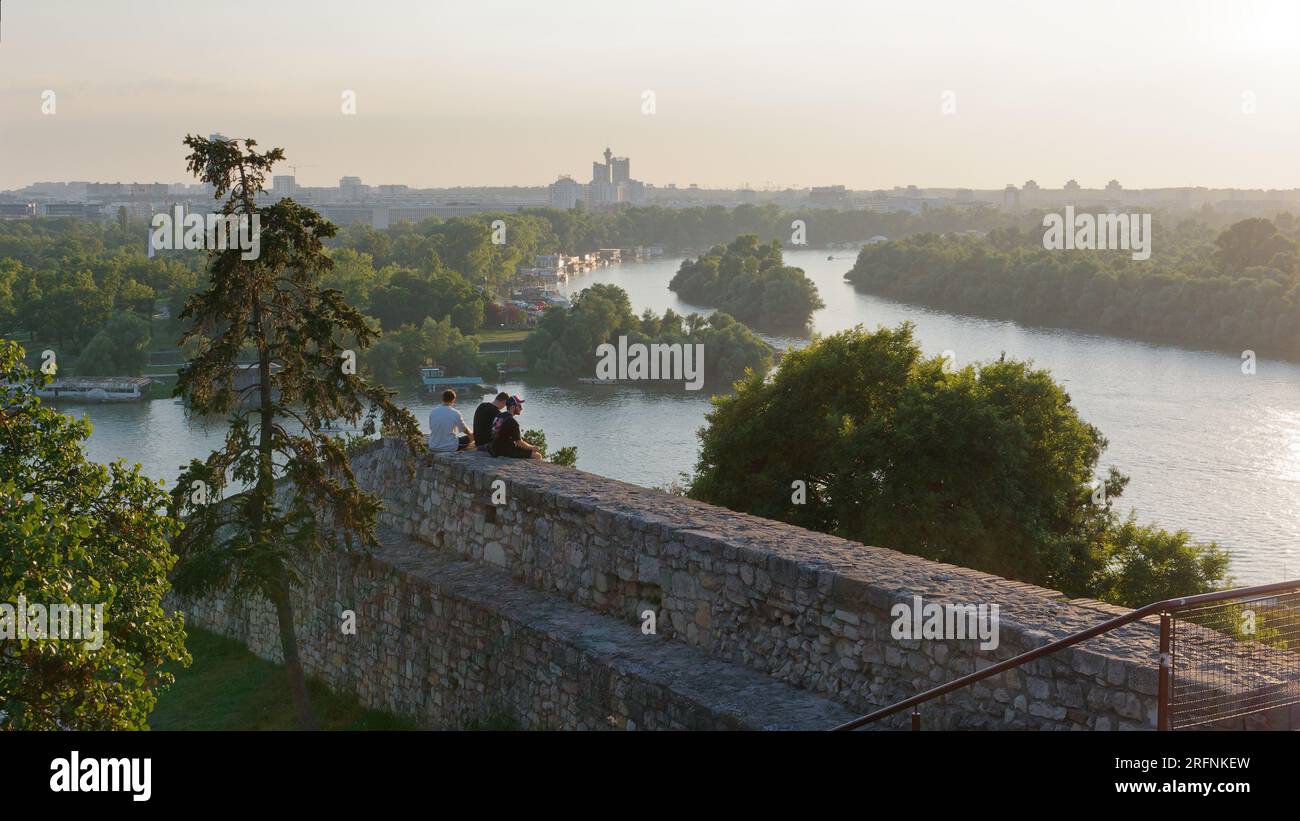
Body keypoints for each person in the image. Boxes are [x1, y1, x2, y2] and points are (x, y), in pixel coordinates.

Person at [490, 395, 542, 459]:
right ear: (513, 407)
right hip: (504, 451)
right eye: (519, 406)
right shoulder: (512, 422)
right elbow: (519, 443)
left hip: (493, 448)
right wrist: (533, 448)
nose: (521, 408)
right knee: (537, 455)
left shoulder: (499, 415)